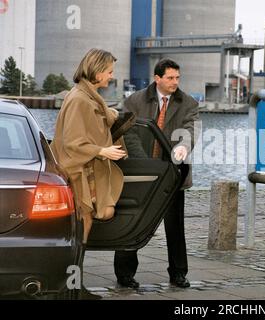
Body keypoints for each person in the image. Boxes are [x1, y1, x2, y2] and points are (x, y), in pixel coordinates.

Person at [113, 59, 199, 289]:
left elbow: (190, 129)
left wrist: (183, 147)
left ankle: (178, 273)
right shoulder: (134, 100)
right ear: (157, 78)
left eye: (177, 78)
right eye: (170, 78)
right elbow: (127, 132)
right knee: (131, 222)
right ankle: (125, 274)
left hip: (172, 173)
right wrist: (145, 163)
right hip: (141, 172)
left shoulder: (188, 103)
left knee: (175, 226)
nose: (175, 82)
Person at [50, 48, 127, 298]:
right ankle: (72, 289)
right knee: (81, 228)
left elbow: (99, 117)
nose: (110, 77)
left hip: (83, 170)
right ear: (96, 71)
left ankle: (73, 287)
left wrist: (112, 116)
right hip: (77, 173)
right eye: (109, 72)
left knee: (84, 226)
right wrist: (103, 151)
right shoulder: (80, 99)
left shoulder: (87, 96)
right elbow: (73, 141)